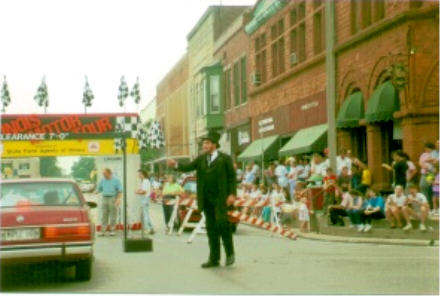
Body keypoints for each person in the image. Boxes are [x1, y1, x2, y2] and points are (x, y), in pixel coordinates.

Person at [167, 130, 236, 268]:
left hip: (221, 198)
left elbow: (232, 178)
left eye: (207, 143)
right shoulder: (201, 159)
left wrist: (232, 194)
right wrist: (175, 165)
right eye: (204, 143)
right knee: (211, 230)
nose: (204, 146)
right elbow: (187, 167)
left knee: (222, 225)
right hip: (206, 199)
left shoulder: (225, 159)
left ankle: (230, 253)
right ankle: (214, 259)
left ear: (214, 144)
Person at [96, 168, 122, 236]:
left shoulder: (116, 180)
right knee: (104, 214)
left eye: (105, 174)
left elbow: (120, 190)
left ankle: (112, 230)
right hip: (104, 198)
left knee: (113, 214)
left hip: (112, 198)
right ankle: (103, 230)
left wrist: (118, 199)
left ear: (109, 173)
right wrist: (95, 192)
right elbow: (99, 189)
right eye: (103, 174)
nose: (103, 175)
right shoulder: (102, 180)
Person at [135, 169, 155, 236]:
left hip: (145, 198)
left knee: (145, 215)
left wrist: (137, 192)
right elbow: (142, 189)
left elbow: (144, 191)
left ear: (142, 174)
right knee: (146, 214)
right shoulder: (143, 181)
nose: (138, 175)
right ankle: (151, 228)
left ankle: (147, 229)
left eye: (139, 174)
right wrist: (139, 190)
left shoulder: (146, 181)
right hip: (143, 198)